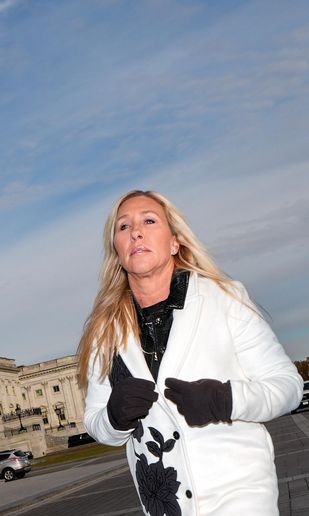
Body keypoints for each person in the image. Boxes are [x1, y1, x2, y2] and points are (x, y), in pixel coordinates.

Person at [78, 190, 303, 516]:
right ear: (117, 249)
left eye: (149, 221)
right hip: (164, 503)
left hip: (239, 493)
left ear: (174, 242)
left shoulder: (224, 298)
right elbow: (98, 424)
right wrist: (114, 416)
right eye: (123, 227)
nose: (136, 231)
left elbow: (287, 386)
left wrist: (225, 399)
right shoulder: (104, 331)